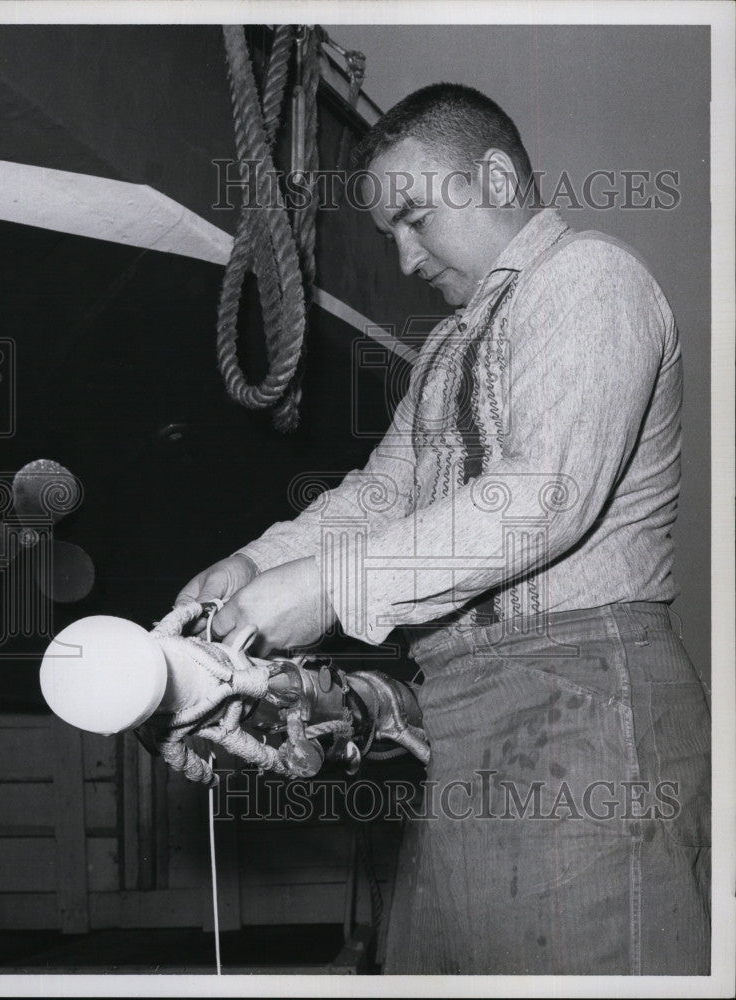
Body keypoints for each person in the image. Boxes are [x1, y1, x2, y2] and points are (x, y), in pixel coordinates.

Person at [176, 84, 710, 975]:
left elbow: (540, 494)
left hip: (583, 707)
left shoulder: (590, 277)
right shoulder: (448, 350)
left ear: (496, 176)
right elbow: (381, 495)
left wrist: (323, 589)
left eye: (415, 217)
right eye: (390, 232)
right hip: (460, 725)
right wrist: (252, 562)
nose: (404, 256)